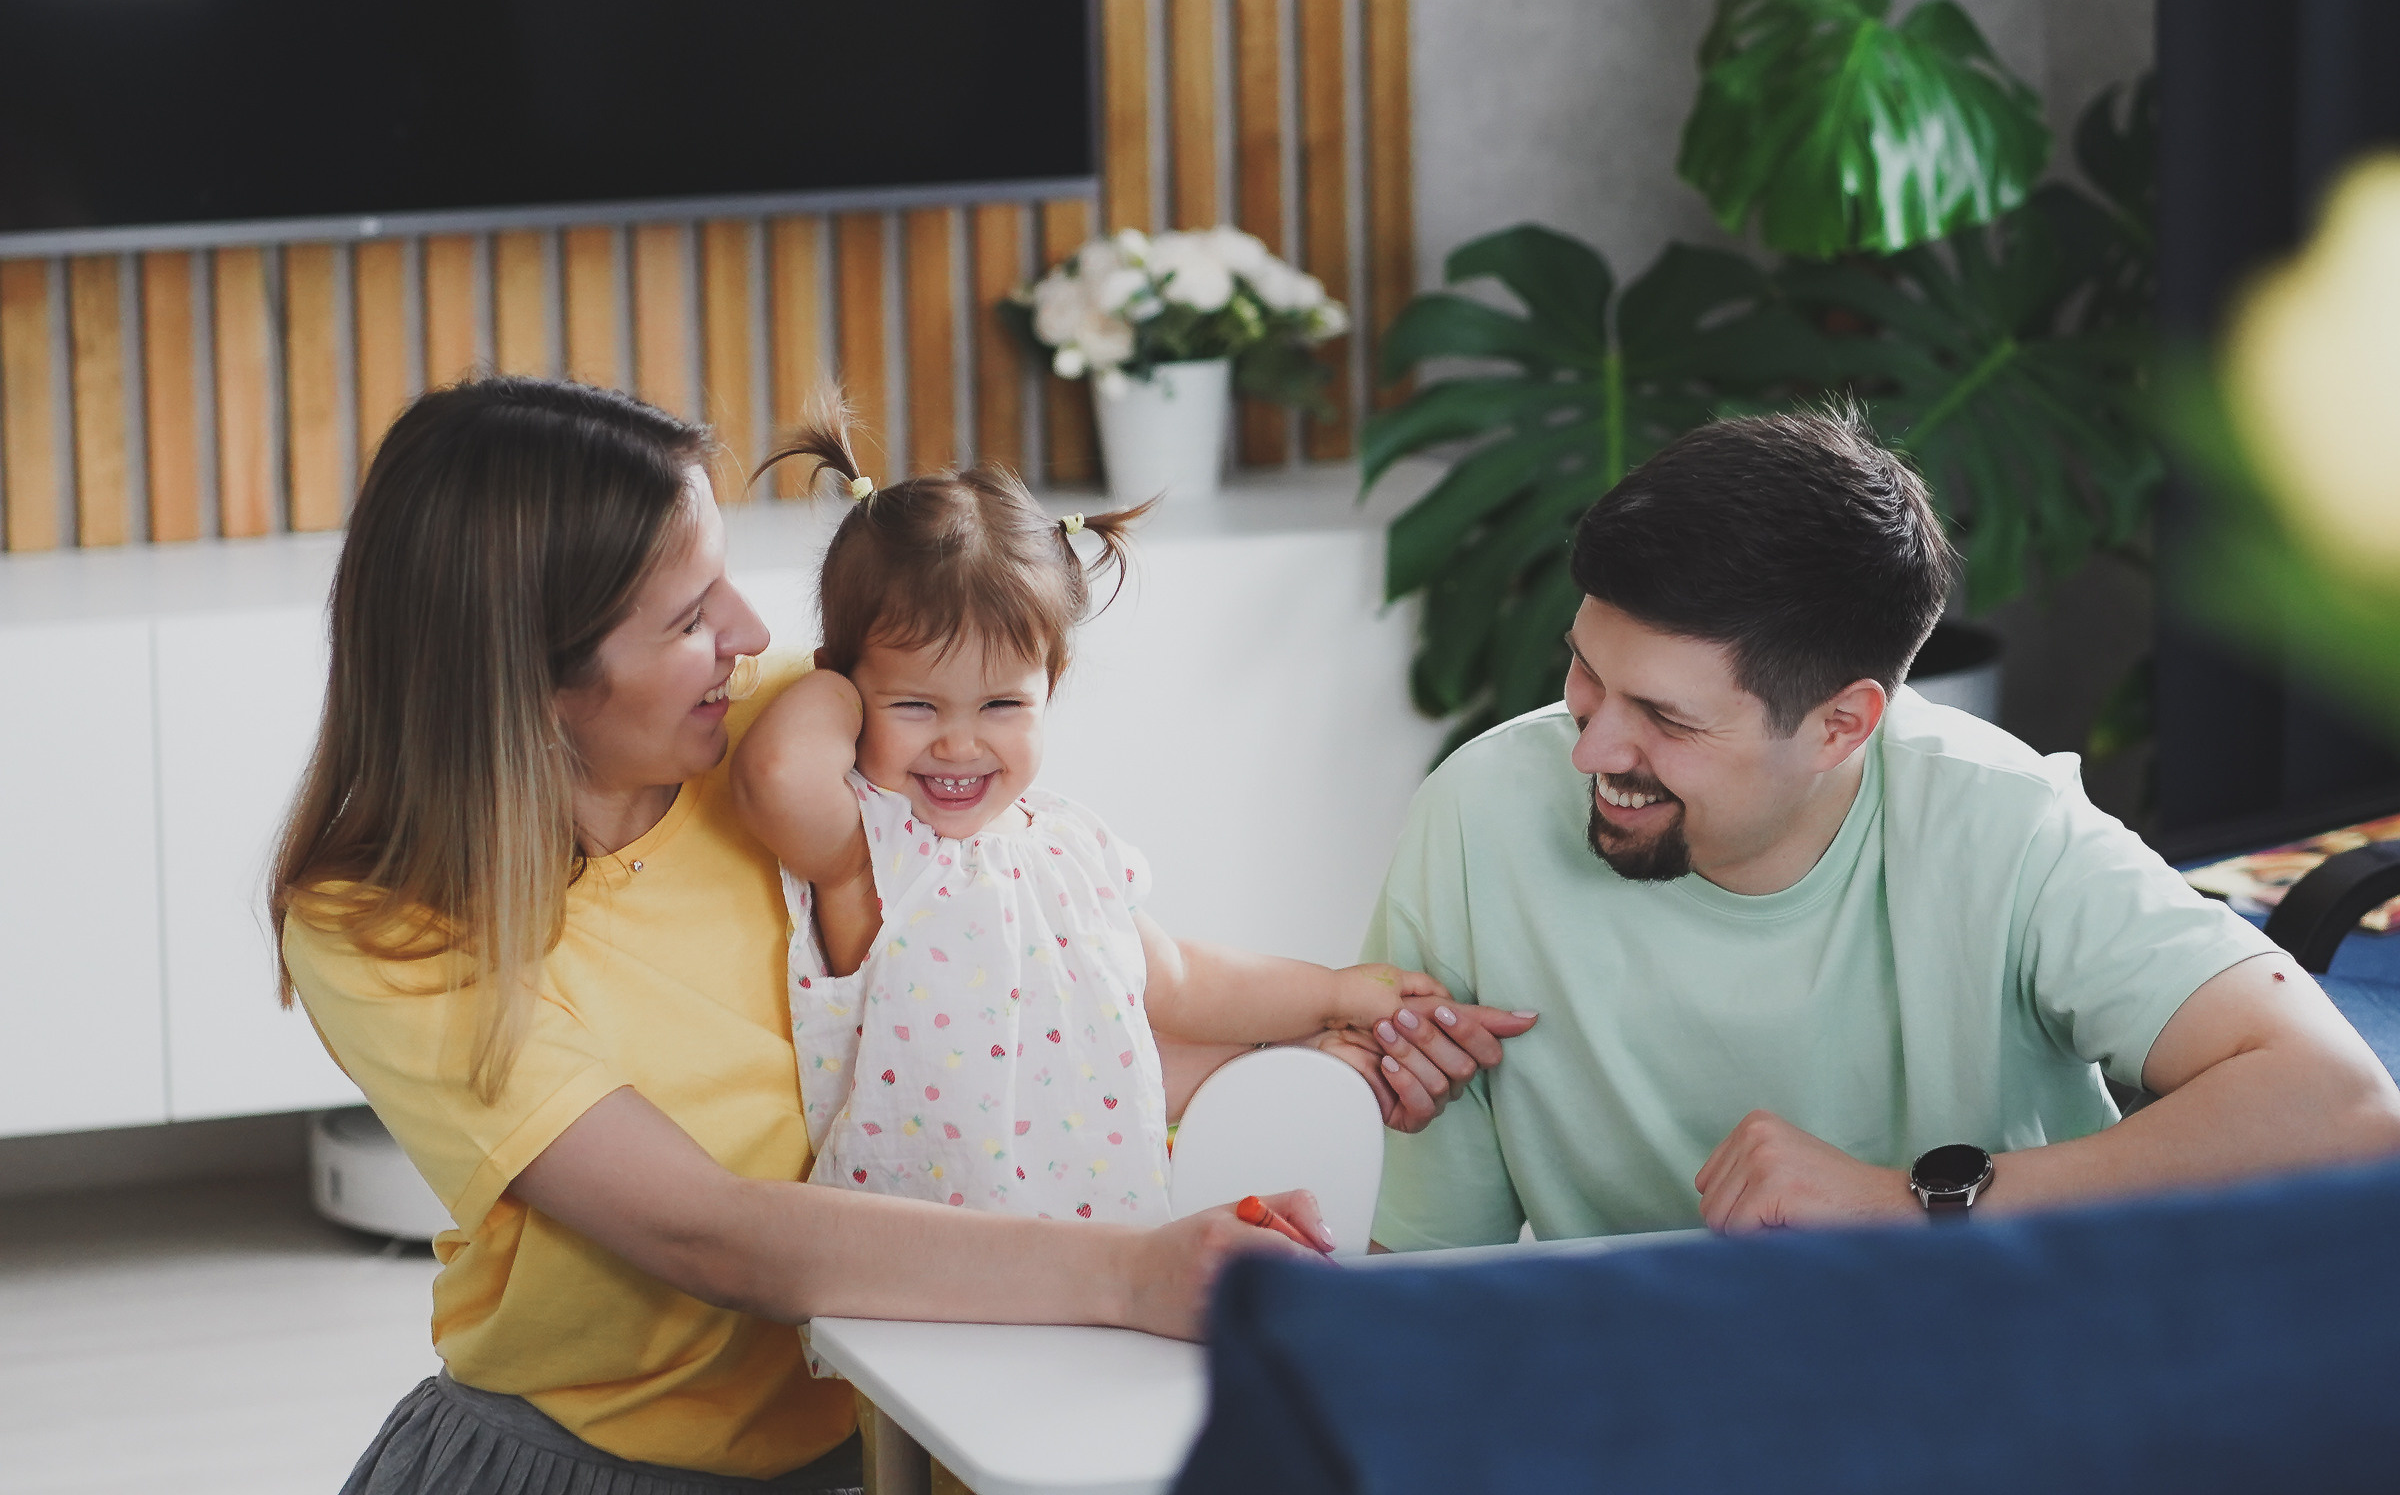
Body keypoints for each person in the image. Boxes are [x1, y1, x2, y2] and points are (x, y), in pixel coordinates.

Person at [275, 378, 1337, 1494]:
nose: (753, 633)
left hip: (888, 1432)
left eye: (724, 578)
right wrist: (1133, 1277)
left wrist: (1317, 1059)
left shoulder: (788, 732)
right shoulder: (384, 926)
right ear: (528, 674)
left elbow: (1015, 1019)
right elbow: (708, 1234)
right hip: (593, 1464)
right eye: (689, 619)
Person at [1367, 404, 2400, 1250]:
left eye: (1667, 718)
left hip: (2005, 1391)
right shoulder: (1477, 815)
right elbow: (1420, 1270)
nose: (1589, 750)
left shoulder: (2002, 822)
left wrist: (1916, 1198)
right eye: (1589, 672)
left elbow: (2343, 1107)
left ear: (1843, 723)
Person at [731, 419, 1497, 1229]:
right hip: (920, 1267)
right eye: (915, 704)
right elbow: (776, 774)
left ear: (1049, 689)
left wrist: (1331, 993)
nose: (959, 743)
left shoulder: (1069, 844)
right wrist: (837, 679)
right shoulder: (868, 850)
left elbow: (1173, 983)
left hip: (1107, 1243)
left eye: (1002, 705)